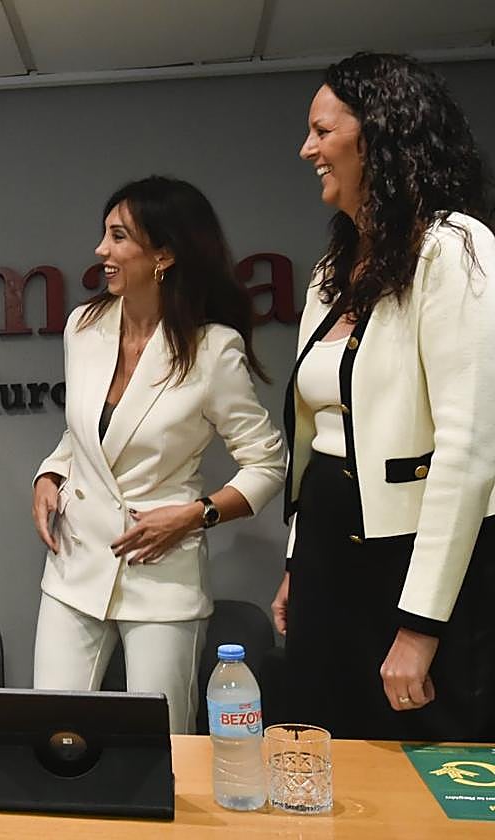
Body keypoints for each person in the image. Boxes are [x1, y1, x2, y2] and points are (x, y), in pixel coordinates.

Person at [273, 52, 495, 742]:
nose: (306, 147)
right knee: (317, 753)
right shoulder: (332, 268)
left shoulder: (454, 249)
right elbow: (319, 435)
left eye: (322, 129)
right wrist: (293, 562)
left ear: (380, 133)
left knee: (420, 766)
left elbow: (469, 449)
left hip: (411, 559)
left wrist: (421, 627)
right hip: (327, 554)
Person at [31, 176, 286, 733]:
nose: (101, 250)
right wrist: (49, 473)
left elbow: (268, 462)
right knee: (51, 735)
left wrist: (198, 514)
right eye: (105, 235)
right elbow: (85, 436)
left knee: (162, 745)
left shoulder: (213, 348)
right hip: (74, 566)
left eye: (119, 237)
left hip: (160, 577)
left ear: (164, 254)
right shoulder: (84, 326)